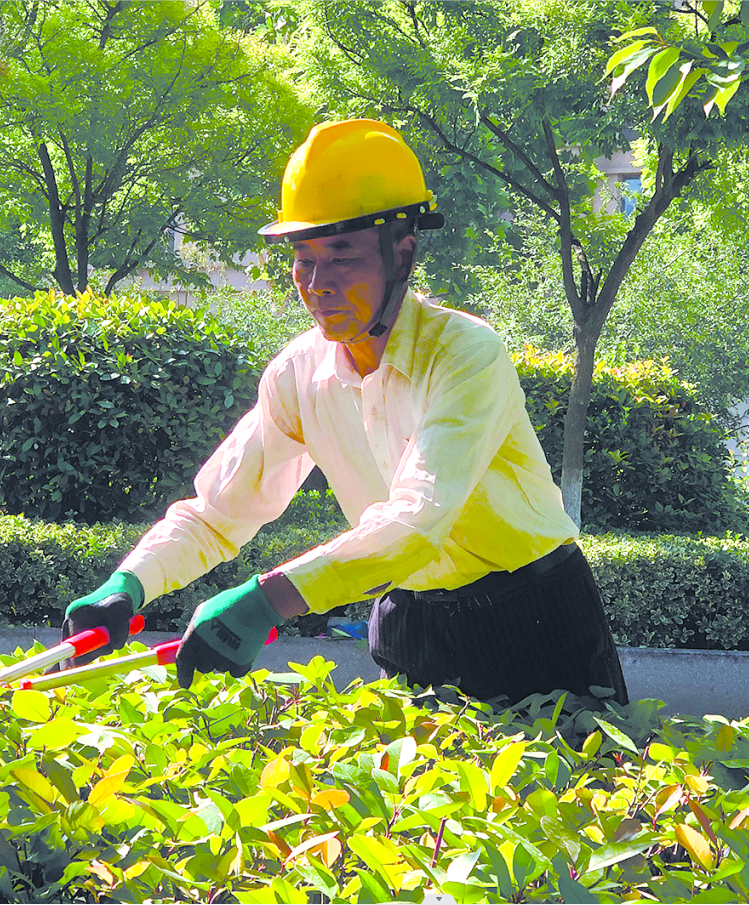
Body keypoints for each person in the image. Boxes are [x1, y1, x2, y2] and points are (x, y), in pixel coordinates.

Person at [62, 119, 628, 705]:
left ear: (401, 252)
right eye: (303, 259)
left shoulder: (465, 353)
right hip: (410, 622)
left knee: (581, 791)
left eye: (341, 257)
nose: (317, 283)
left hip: (533, 616)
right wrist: (128, 584)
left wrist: (267, 600)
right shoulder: (297, 373)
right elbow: (217, 511)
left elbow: (415, 523)